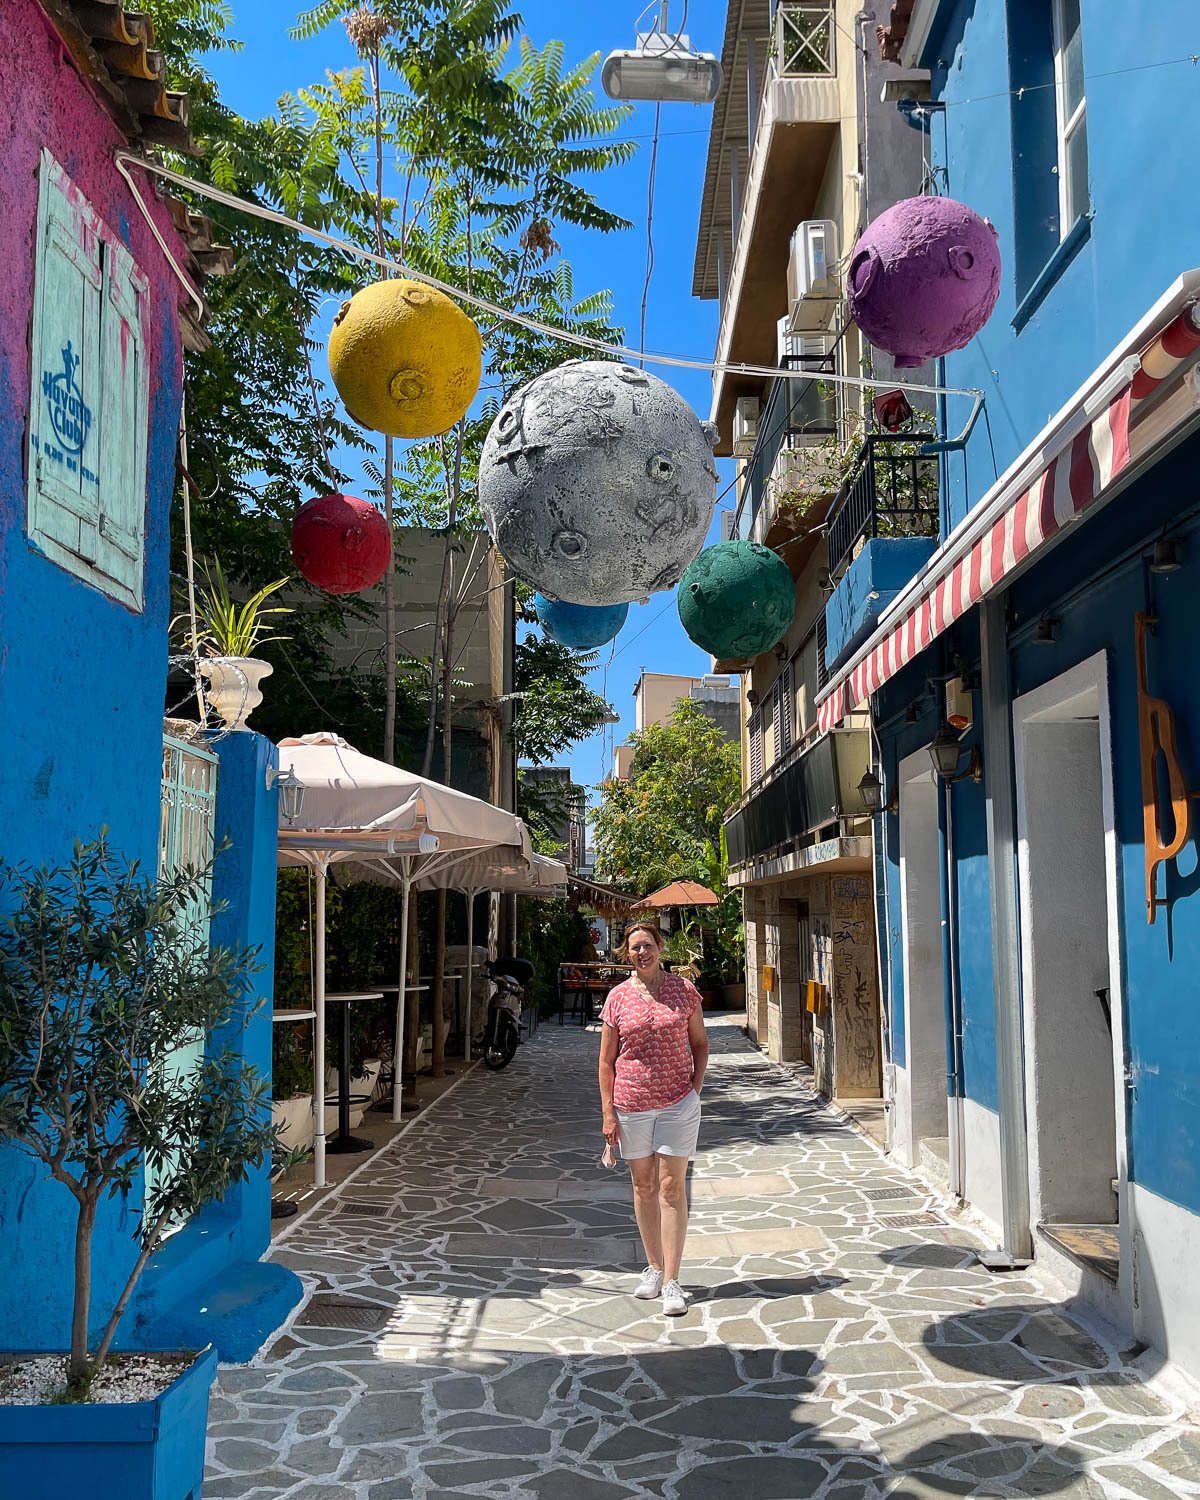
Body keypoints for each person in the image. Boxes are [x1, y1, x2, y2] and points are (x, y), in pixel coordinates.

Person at [597, 920, 709, 1316]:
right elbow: (606, 1061)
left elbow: (700, 1044)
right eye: (634, 948)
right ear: (626, 954)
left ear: (660, 947)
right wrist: (609, 1113)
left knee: (671, 1187)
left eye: (647, 945)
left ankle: (674, 1281)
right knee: (644, 1186)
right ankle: (654, 1268)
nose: (641, 953)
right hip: (631, 1105)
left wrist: (693, 1092)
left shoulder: (684, 991)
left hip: (677, 1103)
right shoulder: (617, 998)